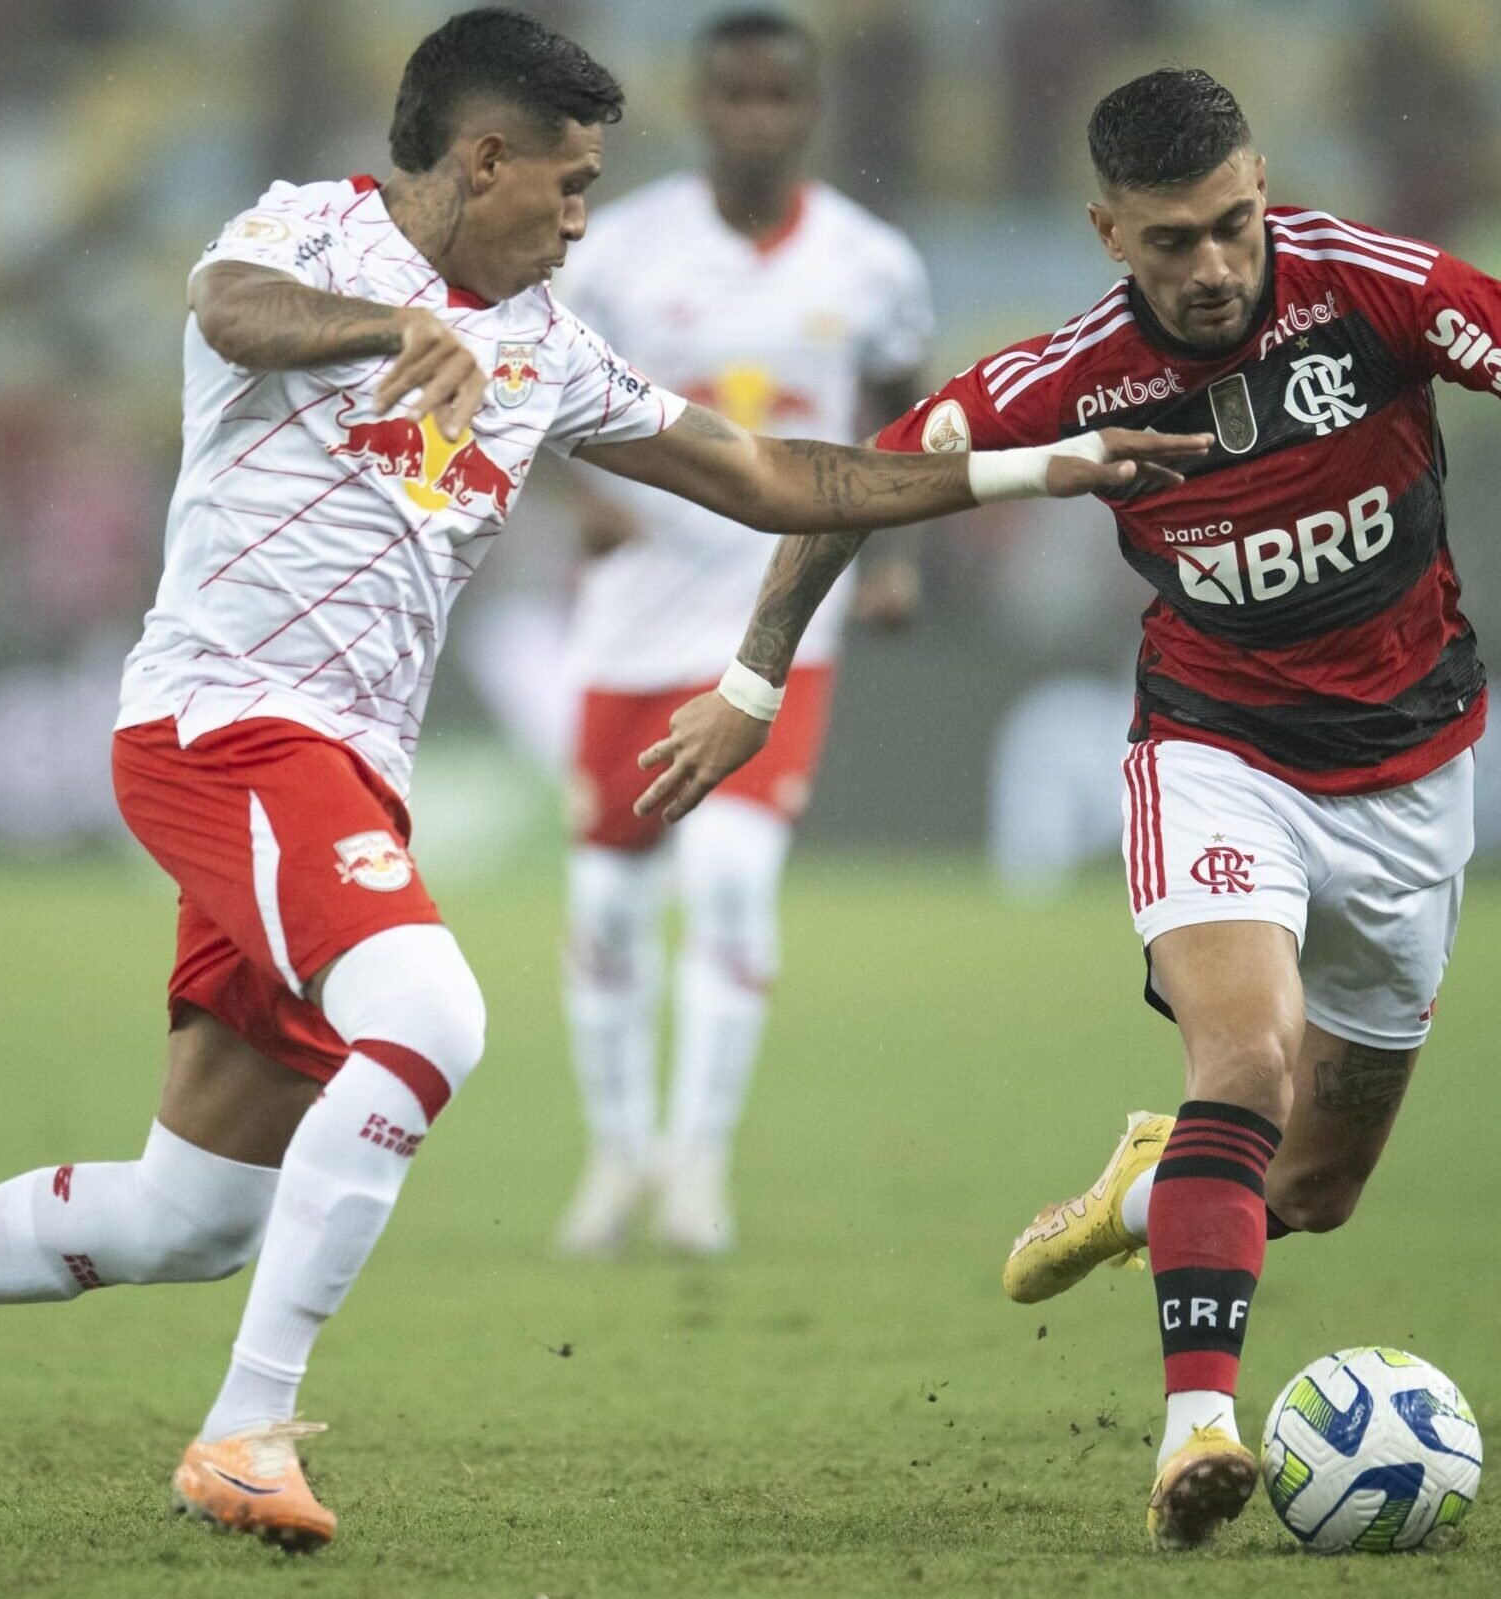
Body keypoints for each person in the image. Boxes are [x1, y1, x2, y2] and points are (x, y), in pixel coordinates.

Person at [0, 9, 1205, 1554]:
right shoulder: (311, 232)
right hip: (225, 728)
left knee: (192, 1212)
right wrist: (383, 332)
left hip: (347, 772)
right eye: (567, 184)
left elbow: (772, 479)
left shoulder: (549, 346)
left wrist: (1029, 469)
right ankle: (243, 1432)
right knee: (432, 1013)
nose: (581, 216)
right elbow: (227, 308)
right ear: (481, 156)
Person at [632, 68, 1501, 1551]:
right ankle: (1195, 1423)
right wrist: (752, 687)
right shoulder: (1068, 378)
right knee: (1250, 1058)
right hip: (1218, 749)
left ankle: (1159, 1185)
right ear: (1106, 233)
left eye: (1231, 226)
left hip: (1414, 767)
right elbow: (857, 484)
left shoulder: (1371, 289)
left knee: (1320, 1185)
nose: (1211, 269)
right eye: (1170, 243)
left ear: (1263, 187)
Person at [547, 9, 933, 1257]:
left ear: (807, 111)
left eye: (778, 97)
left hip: (776, 627)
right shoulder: (613, 251)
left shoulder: (871, 265)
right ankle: (618, 1155)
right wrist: (590, 501)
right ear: (700, 105)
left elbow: (903, 424)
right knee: (606, 905)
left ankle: (697, 1168)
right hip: (627, 630)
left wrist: (892, 561)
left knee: (727, 882)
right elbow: (527, 391)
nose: (755, 118)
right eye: (734, 97)